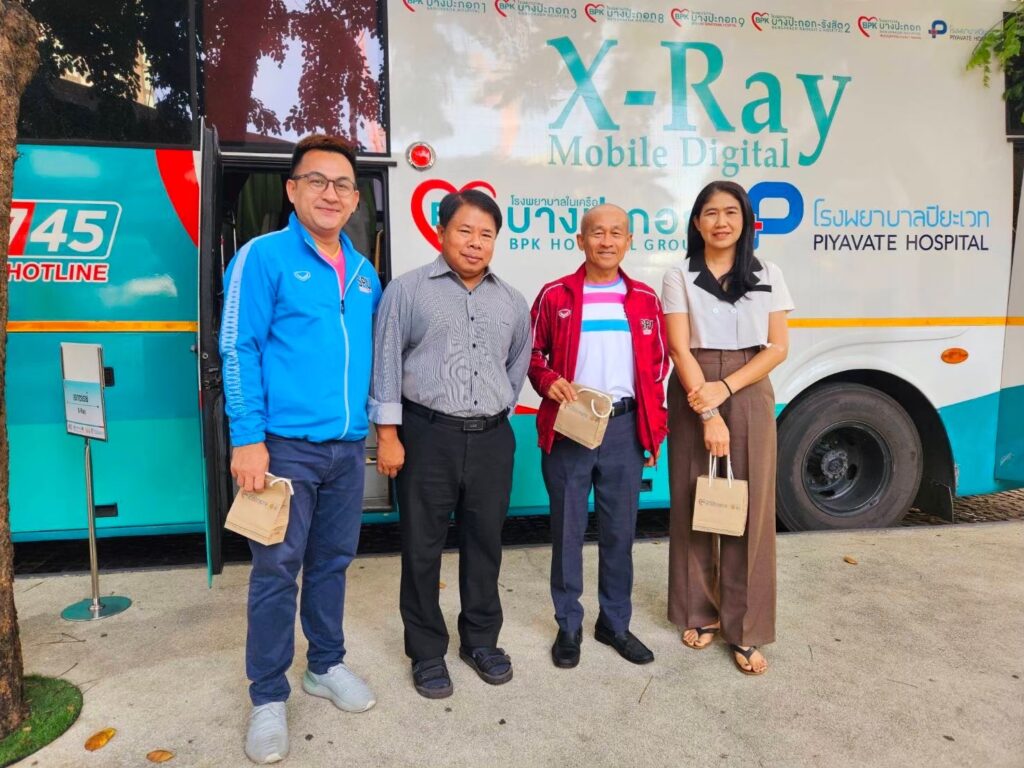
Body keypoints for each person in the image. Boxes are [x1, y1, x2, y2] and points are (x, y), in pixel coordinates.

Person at [220, 134, 382, 764]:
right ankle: (267, 696)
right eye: (317, 181)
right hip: (283, 449)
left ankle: (325, 664)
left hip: (346, 448)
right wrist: (247, 437)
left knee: (333, 561)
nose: (330, 194)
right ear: (292, 190)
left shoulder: (364, 274)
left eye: (343, 185)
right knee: (275, 572)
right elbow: (239, 347)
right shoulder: (263, 257)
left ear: (355, 199)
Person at [370, 189, 531, 699]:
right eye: (465, 231)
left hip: (491, 439)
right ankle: (426, 651)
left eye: (486, 234)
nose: (475, 243)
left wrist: (492, 412)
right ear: (441, 232)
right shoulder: (407, 290)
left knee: (485, 545)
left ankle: (480, 641)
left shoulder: (512, 300)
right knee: (422, 547)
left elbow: (516, 366)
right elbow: (386, 362)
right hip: (426, 436)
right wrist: (388, 436)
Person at [661, 180, 794, 676]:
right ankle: (699, 611)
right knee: (695, 499)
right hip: (693, 384)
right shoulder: (679, 275)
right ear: (697, 222)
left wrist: (728, 388)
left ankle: (745, 627)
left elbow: (778, 348)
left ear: (746, 221)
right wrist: (708, 411)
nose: (721, 221)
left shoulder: (768, 273)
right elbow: (679, 348)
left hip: (749, 384)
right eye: (711, 213)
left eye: (731, 212)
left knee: (750, 508)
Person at [528, 204, 668, 668]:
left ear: (629, 241)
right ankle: (568, 624)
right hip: (572, 423)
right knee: (567, 530)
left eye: (616, 233)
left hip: (624, 427)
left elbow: (657, 369)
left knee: (619, 532)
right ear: (581, 240)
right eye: (597, 233)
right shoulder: (556, 295)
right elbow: (531, 354)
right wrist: (549, 381)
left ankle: (615, 623)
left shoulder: (645, 299)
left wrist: (653, 432)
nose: (606, 241)